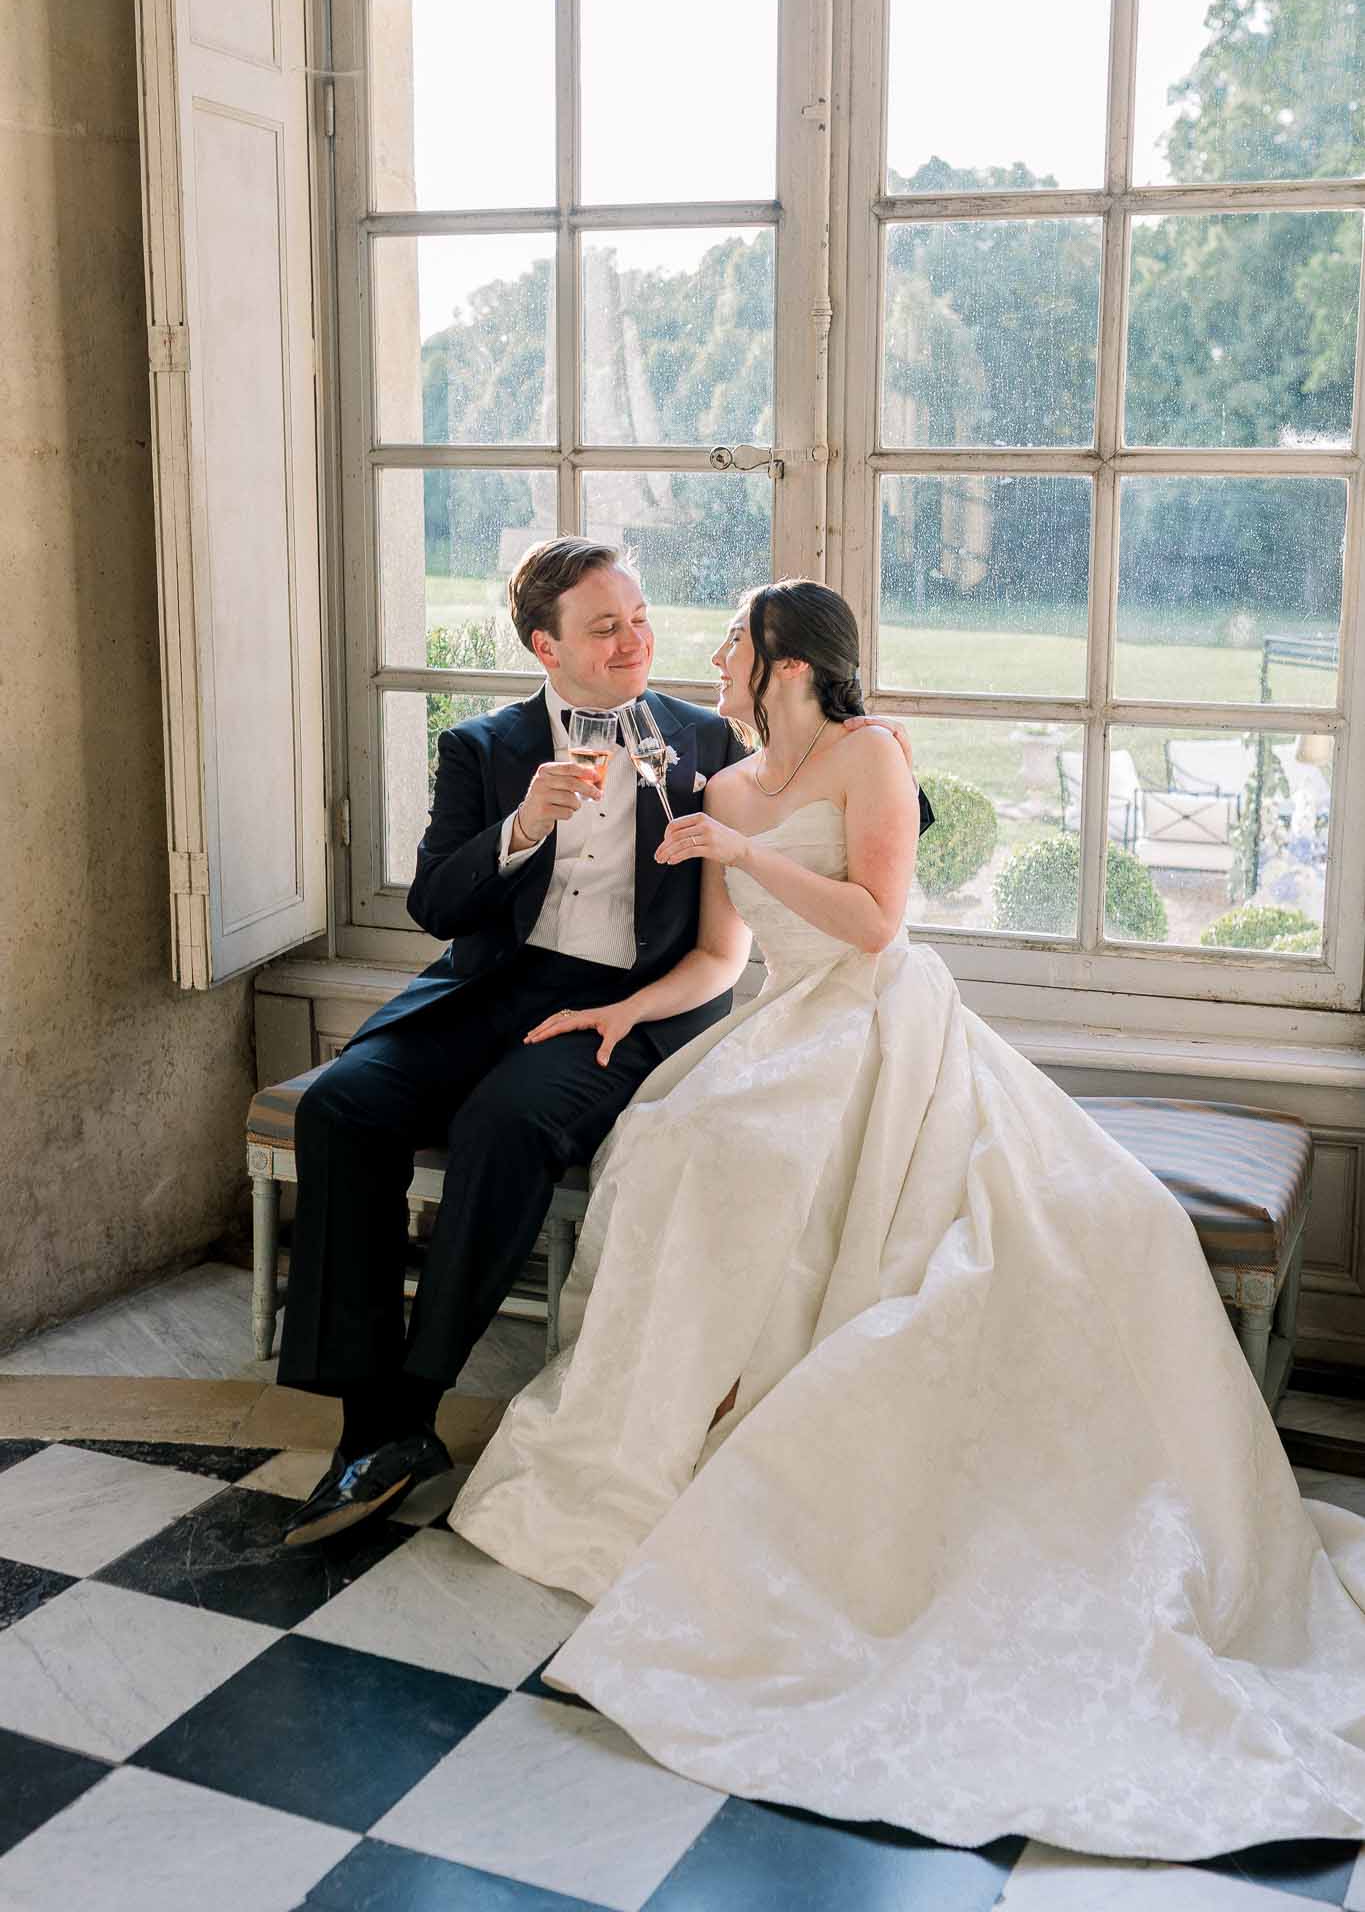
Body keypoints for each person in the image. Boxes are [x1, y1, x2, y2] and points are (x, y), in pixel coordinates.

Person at [450, 578, 1365, 1859]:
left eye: (730, 642)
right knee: (679, 1136)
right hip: (781, 1019)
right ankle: (691, 1406)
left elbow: (880, 925)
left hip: (884, 1017)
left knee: (818, 1162)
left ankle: (793, 1399)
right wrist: (624, 1012)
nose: (706, 659)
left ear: (782, 661)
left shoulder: (873, 755)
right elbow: (722, 960)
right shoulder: (718, 787)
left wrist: (754, 855)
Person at [276, 537, 756, 1544]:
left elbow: (727, 929)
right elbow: (436, 904)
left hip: (627, 1003)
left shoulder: (709, 742)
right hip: (492, 983)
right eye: (604, 625)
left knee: (505, 1123)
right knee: (340, 1104)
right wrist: (520, 829)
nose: (634, 639)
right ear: (546, 643)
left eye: (637, 616)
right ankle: (373, 1413)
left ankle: (411, 1405)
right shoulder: (484, 747)